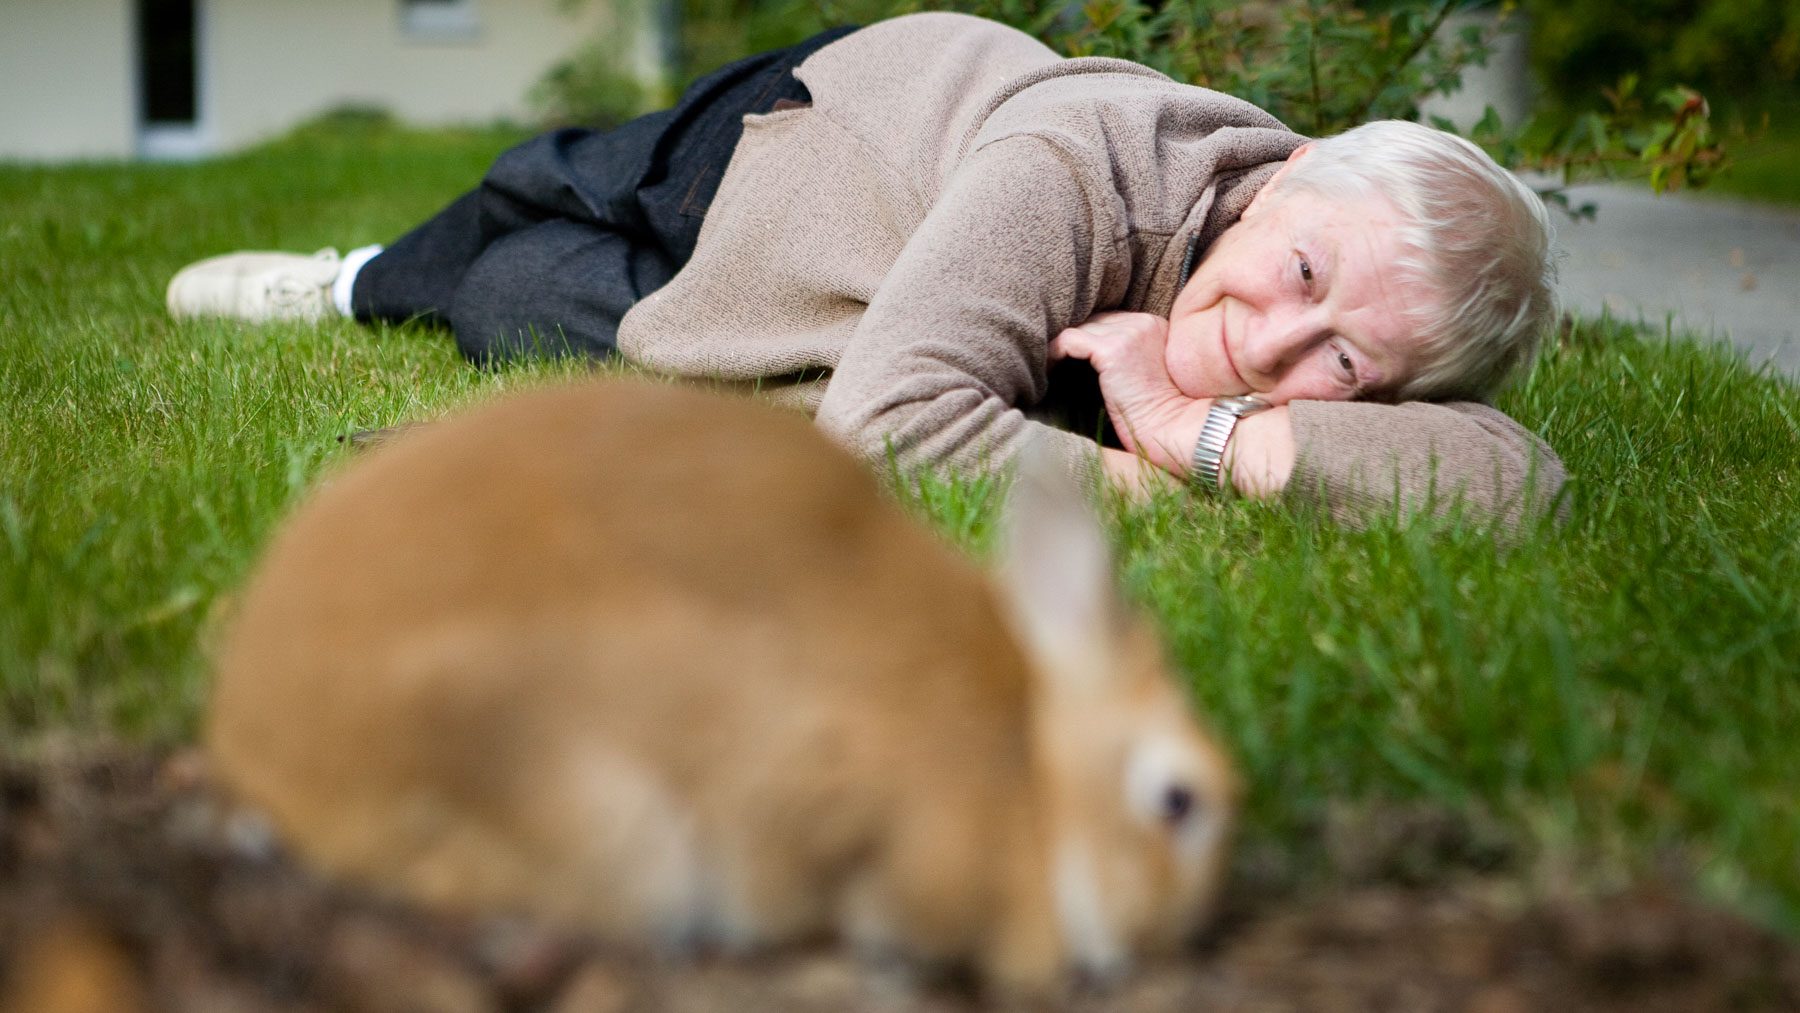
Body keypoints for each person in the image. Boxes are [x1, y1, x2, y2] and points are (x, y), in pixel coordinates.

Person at [166, 12, 1563, 530]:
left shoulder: (1293, 347)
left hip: (867, 304)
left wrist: (1202, 434)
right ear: (1281, 182)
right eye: (1303, 267)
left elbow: (1525, 482)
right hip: (799, 145)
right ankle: (350, 280)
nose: (1275, 344)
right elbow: (899, 423)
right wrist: (1154, 486)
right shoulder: (1093, 165)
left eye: (1345, 365)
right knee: (556, 187)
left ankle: (453, 284)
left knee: (520, 308)